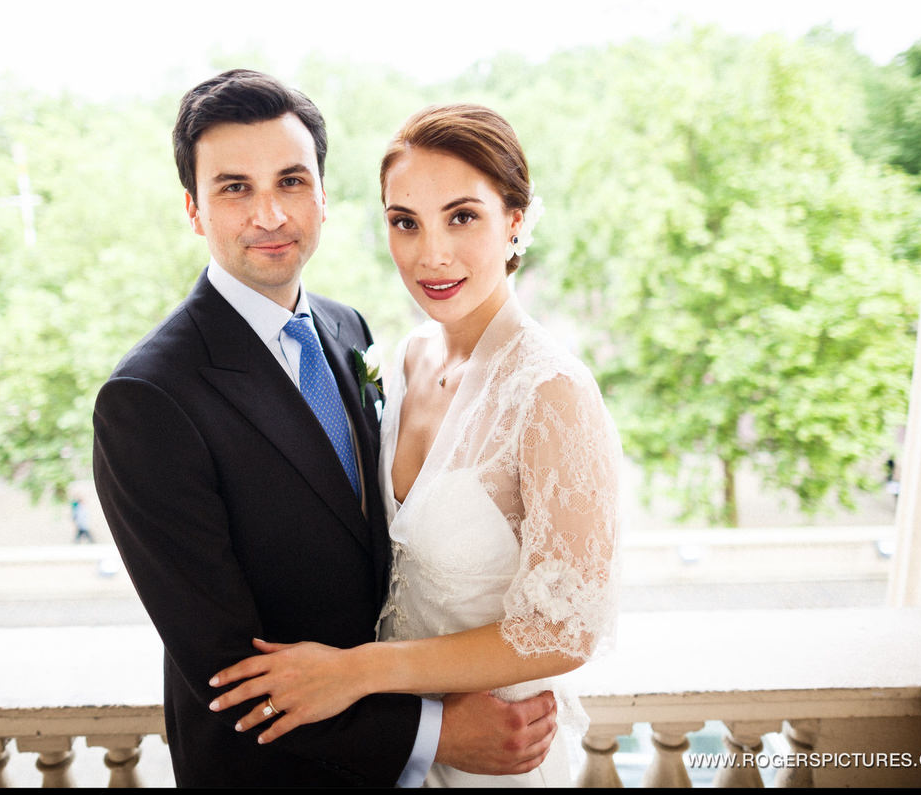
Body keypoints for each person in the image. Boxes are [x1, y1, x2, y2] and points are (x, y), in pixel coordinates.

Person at [92, 72, 560, 788]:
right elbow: (227, 672)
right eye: (235, 188)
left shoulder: (350, 331)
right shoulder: (149, 399)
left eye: (290, 180)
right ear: (193, 209)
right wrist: (437, 733)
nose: (270, 213)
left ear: (323, 195)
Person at [206, 103, 623, 786]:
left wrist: (356, 671)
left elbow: (564, 630)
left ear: (515, 219)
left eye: (462, 216)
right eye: (406, 222)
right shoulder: (404, 358)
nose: (431, 254)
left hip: (498, 750)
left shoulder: (552, 392)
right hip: (398, 749)